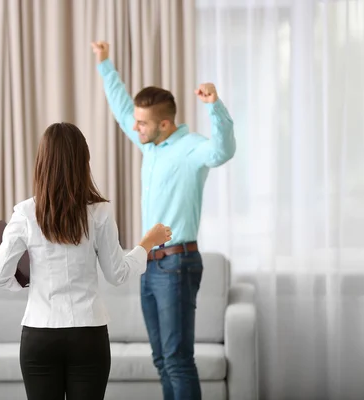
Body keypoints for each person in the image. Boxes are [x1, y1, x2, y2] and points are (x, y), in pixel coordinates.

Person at [91, 41, 236, 400]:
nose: (135, 128)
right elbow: (124, 109)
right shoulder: (150, 146)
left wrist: (215, 106)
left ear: (166, 124)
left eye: (143, 124)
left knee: (177, 360)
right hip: (151, 266)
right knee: (161, 359)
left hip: (177, 263)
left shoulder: (192, 149)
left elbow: (223, 151)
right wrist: (105, 63)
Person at [0, 122, 171, 400]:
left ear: (42, 163)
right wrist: (146, 243)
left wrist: (28, 282)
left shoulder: (25, 213)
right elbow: (118, 274)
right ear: (83, 162)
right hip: (88, 333)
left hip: (39, 334)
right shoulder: (99, 213)